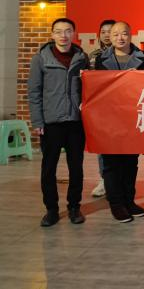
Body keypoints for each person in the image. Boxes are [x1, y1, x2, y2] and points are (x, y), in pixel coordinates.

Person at [28, 18, 90, 227]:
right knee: (48, 168)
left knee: (76, 167)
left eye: (68, 31)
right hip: (51, 122)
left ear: (74, 33)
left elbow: (88, 89)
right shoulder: (40, 59)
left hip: (75, 122)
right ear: (52, 34)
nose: (63, 35)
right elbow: (34, 92)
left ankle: (74, 207)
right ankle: (51, 210)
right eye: (59, 31)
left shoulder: (82, 58)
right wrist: (38, 121)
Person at [95, 21, 144, 222]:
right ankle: (116, 204)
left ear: (130, 35)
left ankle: (129, 200)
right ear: (110, 37)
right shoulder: (100, 60)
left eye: (124, 33)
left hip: (133, 117)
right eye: (116, 34)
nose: (120, 38)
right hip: (109, 119)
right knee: (111, 163)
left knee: (130, 162)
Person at [88, 18, 115, 198]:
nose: (106, 35)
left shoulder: (126, 53)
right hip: (101, 106)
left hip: (121, 106)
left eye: (110, 31)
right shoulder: (93, 56)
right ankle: (104, 180)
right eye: (103, 32)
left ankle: (119, 181)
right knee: (102, 145)